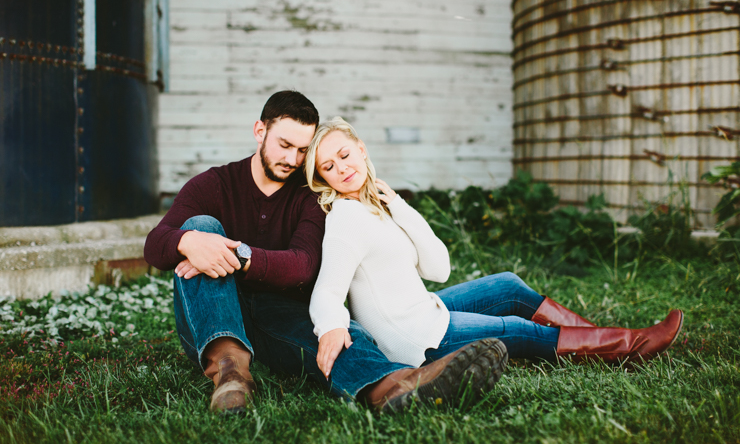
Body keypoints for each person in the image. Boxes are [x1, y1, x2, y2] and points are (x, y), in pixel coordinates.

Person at [144, 91, 514, 415]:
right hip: (211, 319)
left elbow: (302, 268)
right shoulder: (215, 184)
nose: (293, 158)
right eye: (284, 145)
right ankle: (231, 374)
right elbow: (154, 245)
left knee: (340, 333)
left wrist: (240, 255)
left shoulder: (310, 196)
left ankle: (396, 387)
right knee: (202, 227)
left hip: (280, 318)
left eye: (303, 150)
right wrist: (186, 242)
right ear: (261, 132)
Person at [304, 117, 685, 383]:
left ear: (361, 148)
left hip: (423, 310)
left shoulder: (378, 206)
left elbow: (439, 269)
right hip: (416, 339)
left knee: (507, 286)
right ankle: (630, 345)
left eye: (344, 154)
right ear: (324, 179)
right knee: (517, 330)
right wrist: (331, 328)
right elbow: (327, 291)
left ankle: (605, 336)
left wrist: (399, 205)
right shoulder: (346, 216)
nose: (341, 167)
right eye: (328, 166)